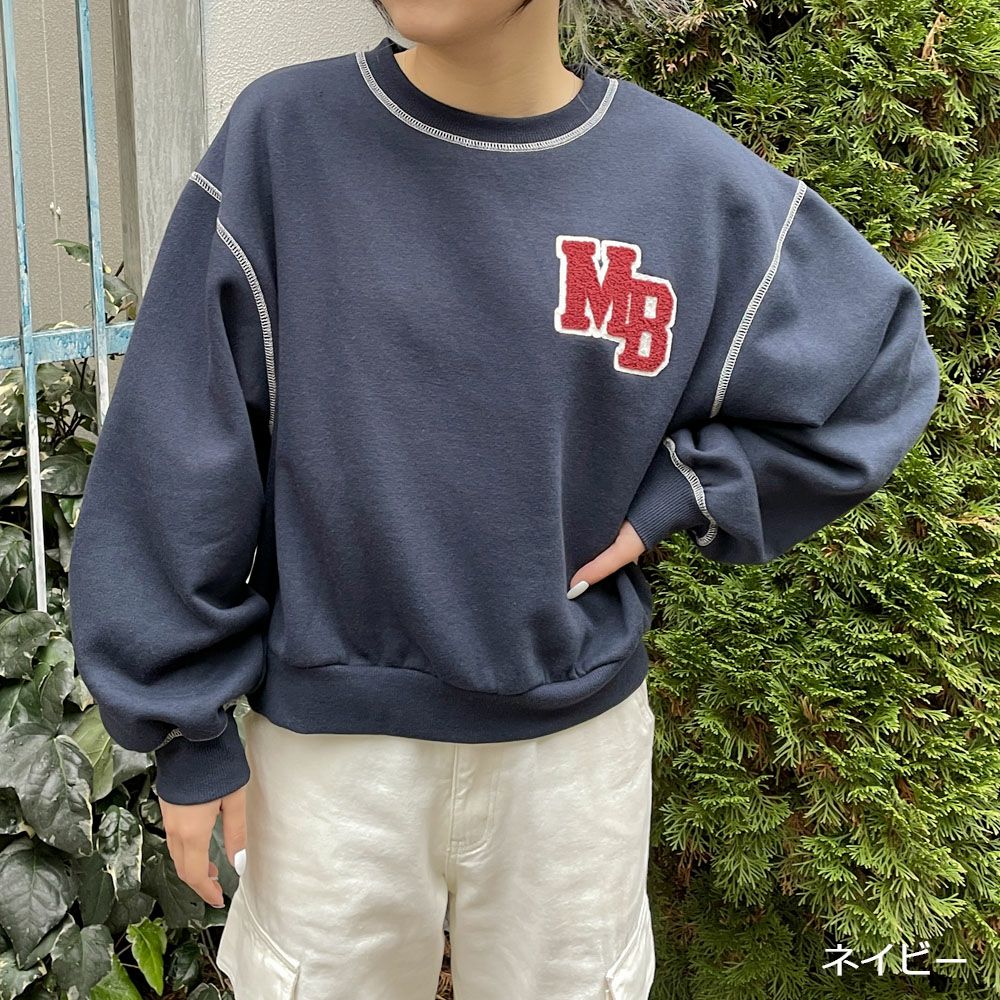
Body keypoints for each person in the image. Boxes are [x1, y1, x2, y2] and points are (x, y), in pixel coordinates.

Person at [66, 0, 941, 997]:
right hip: (330, 759)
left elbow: (876, 365)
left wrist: (685, 492)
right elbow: (180, 439)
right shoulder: (284, 141)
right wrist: (183, 726)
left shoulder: (682, 181)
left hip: (572, 766)